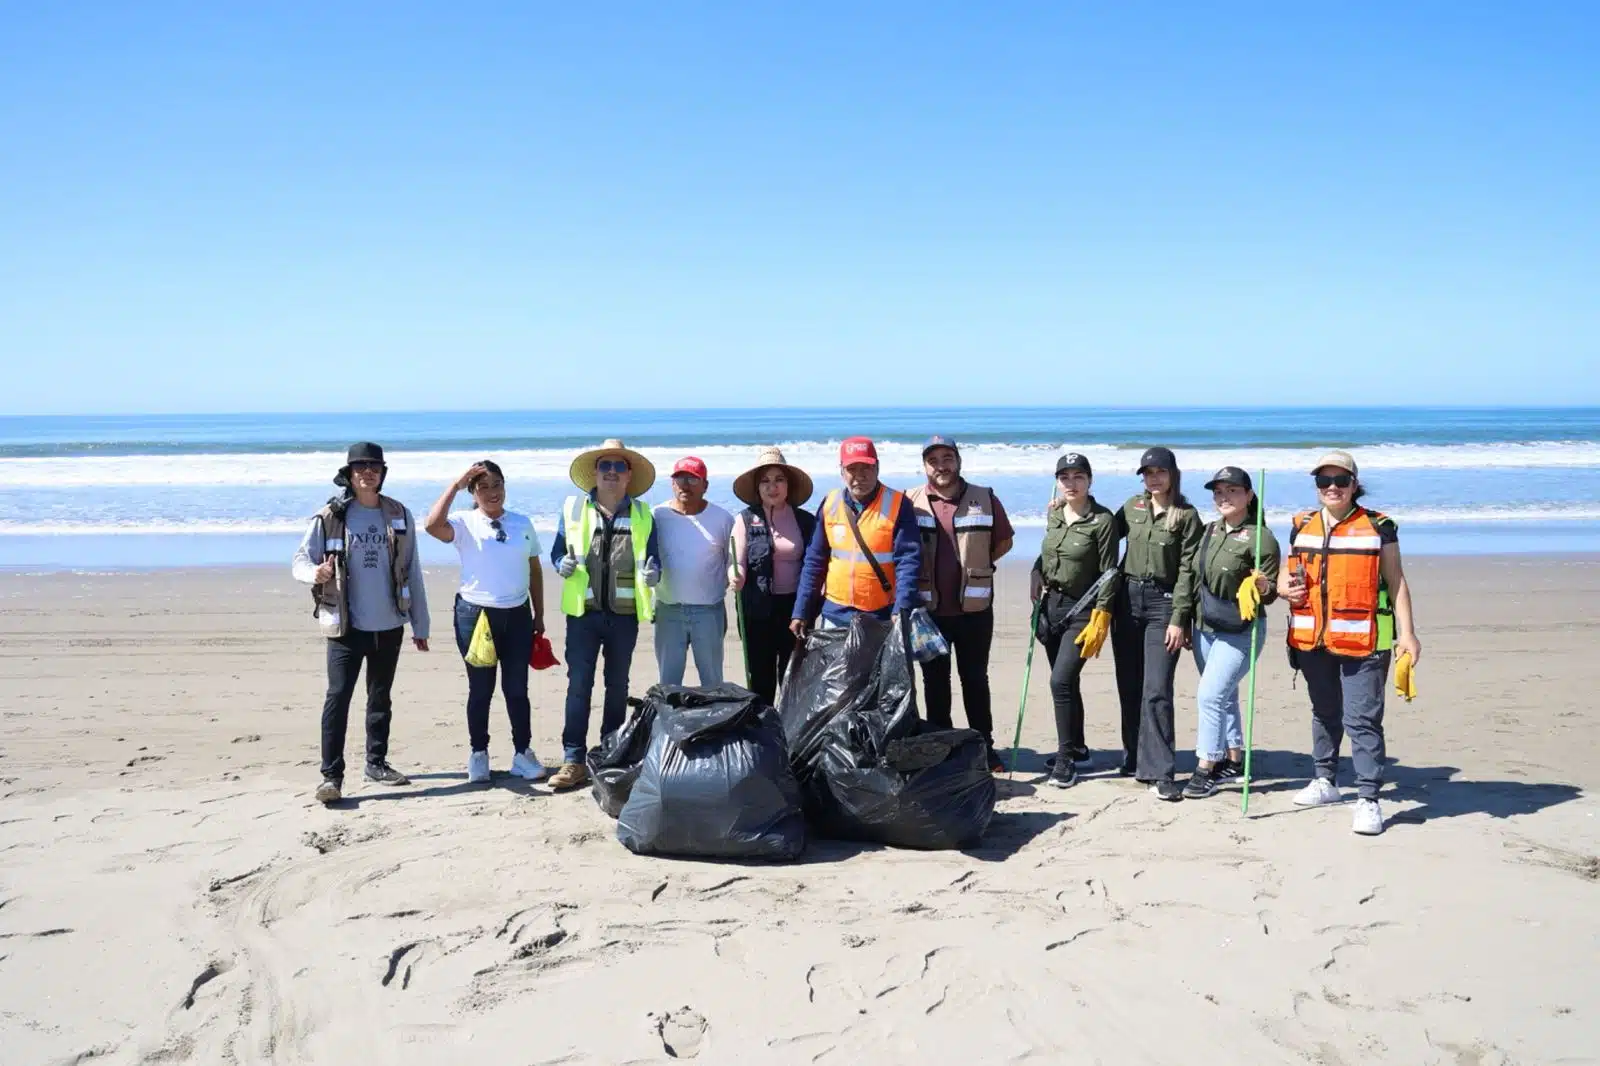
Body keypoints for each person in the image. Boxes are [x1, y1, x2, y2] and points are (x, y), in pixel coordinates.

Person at [1280, 450, 1421, 836]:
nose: (1332, 488)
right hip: (1313, 640)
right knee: (1324, 712)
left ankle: (1368, 798)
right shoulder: (1301, 525)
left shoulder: (1379, 527)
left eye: (1340, 481)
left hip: (1365, 641)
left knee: (1362, 719)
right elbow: (1285, 577)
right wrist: (1279, 588)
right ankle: (1325, 780)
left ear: (1354, 485)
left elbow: (1397, 582)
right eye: (1324, 482)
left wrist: (1407, 634)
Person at [293, 442, 430, 805]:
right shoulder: (331, 515)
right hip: (345, 626)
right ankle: (331, 776)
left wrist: (421, 623)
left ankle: (376, 762)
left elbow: (413, 569)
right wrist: (316, 572)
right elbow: (299, 562)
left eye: (374, 466)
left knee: (380, 697)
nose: (368, 472)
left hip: (389, 625)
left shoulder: (398, 513)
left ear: (383, 473)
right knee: (338, 697)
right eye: (360, 467)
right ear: (349, 475)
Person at [545, 439, 661, 791]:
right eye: (605, 466)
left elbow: (654, 559)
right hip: (584, 614)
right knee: (579, 687)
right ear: (595, 473)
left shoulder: (643, 515)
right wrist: (559, 564)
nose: (611, 472)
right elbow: (556, 553)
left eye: (619, 467)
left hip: (624, 617)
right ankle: (573, 760)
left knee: (617, 688)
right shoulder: (573, 510)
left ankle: (609, 756)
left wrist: (655, 573)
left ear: (629, 476)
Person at [425, 460, 547, 785]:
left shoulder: (522, 523)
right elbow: (431, 525)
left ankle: (523, 753)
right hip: (475, 617)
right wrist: (455, 483)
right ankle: (478, 755)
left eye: (497, 485)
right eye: (483, 487)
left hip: (518, 616)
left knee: (516, 689)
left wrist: (540, 615)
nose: (492, 493)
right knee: (481, 690)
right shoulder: (464, 523)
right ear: (473, 492)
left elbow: (534, 570)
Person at [907, 435, 1014, 771]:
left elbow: (1004, 542)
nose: (941, 466)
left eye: (947, 458)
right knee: (935, 685)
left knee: (975, 680)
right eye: (934, 460)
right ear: (925, 465)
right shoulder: (910, 501)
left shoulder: (984, 497)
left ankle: (984, 748)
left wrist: (979, 567)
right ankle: (944, 751)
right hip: (929, 613)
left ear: (958, 461)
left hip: (975, 612)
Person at [1112, 446, 1203, 801]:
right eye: (1147, 473)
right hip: (1126, 600)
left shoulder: (1186, 516)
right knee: (1129, 684)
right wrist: (1066, 509)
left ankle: (1162, 771)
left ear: (1172, 474)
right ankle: (1134, 756)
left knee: (1157, 688)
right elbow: (1103, 533)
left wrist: (1180, 618)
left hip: (1163, 604)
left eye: (1159, 472)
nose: (1153, 478)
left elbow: (1187, 572)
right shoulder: (1133, 507)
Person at [1184, 466, 1281, 799]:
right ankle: (1234, 760)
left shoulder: (1260, 536)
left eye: (1232, 491)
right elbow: (1194, 577)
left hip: (1241, 629)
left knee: (1209, 696)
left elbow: (1270, 591)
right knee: (1222, 696)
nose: (1224, 497)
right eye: (1219, 492)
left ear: (1249, 496)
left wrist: (1262, 585)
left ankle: (1205, 767)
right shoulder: (1209, 530)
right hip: (1206, 625)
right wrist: (1183, 619)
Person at [1029, 453, 1120, 788]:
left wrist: (1103, 615)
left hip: (1084, 609)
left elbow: (1111, 572)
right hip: (1052, 606)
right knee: (1066, 683)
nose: (1071, 483)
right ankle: (1080, 749)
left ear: (1090, 481)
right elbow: (1046, 553)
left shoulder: (1103, 521)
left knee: (1060, 682)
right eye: (1064, 477)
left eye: (1078, 476)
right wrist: (1035, 571)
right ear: (1057, 481)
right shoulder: (1053, 513)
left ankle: (1065, 759)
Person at [791, 436, 922, 637]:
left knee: (877, 670)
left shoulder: (898, 504)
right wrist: (801, 611)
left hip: (881, 614)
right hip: (835, 615)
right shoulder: (830, 503)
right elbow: (814, 561)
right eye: (852, 469)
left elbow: (909, 561)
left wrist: (901, 608)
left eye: (866, 468)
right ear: (842, 471)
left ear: (877, 468)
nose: (859, 476)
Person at [731, 447, 817, 703]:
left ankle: (791, 733)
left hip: (795, 609)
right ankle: (764, 731)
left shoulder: (805, 521)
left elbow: (816, 562)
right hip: (757, 608)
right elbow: (736, 559)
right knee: (760, 677)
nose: (772, 487)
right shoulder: (745, 520)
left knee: (792, 676)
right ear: (757, 488)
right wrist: (735, 574)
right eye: (765, 481)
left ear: (788, 485)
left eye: (779, 479)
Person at [653, 456, 736, 686]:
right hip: (668, 610)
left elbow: (732, 560)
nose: (685, 485)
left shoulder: (722, 518)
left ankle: (714, 722)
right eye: (679, 479)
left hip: (709, 612)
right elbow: (644, 555)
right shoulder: (656, 516)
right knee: (668, 684)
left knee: (712, 683)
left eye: (692, 479)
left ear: (705, 486)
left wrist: (734, 575)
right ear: (672, 484)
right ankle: (668, 723)